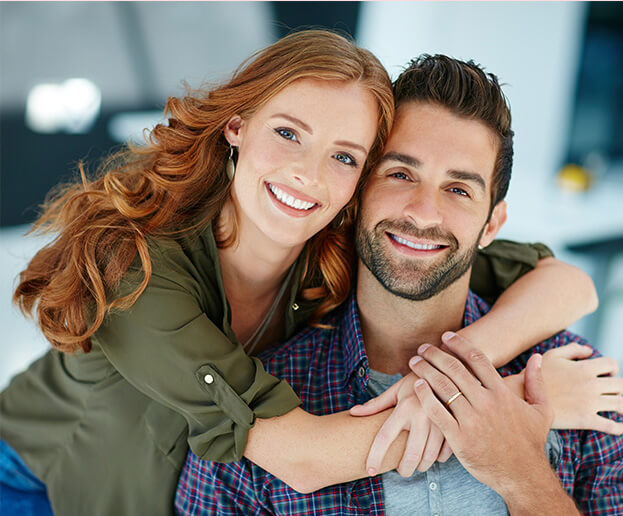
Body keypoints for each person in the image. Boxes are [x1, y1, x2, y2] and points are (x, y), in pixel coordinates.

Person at [0, 31, 604, 516]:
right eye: (288, 133)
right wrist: (521, 402)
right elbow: (304, 460)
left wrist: (463, 365)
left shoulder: (344, 235)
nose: (308, 175)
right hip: (40, 477)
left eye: (344, 156)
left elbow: (565, 283)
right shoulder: (138, 270)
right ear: (237, 126)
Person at [175, 54, 623, 515]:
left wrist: (524, 476)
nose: (423, 213)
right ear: (357, 192)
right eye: (400, 174)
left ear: (492, 225)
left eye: (459, 189)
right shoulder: (267, 412)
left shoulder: (580, 383)